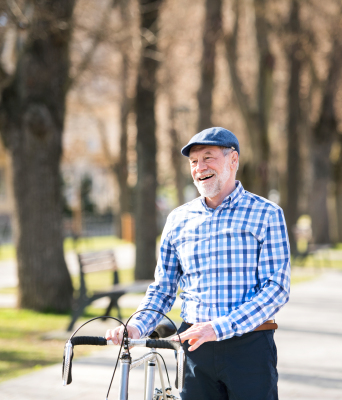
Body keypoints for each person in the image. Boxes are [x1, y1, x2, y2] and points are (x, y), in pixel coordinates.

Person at [106, 127, 291, 399]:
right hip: (194, 351)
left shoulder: (266, 214)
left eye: (208, 157)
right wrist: (136, 326)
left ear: (233, 160)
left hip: (249, 348)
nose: (199, 167)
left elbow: (277, 288)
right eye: (194, 162)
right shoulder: (178, 220)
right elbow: (163, 289)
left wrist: (219, 327)